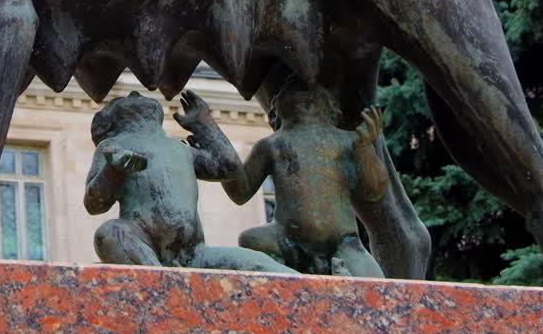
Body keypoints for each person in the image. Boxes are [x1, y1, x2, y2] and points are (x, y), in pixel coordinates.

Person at [85, 90, 294, 273]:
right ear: (110, 122)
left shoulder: (180, 147)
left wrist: (204, 125)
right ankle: (162, 284)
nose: (134, 94)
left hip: (194, 254)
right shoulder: (111, 146)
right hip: (142, 242)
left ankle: (320, 294)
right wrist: (113, 171)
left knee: (259, 264)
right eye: (120, 100)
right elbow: (94, 204)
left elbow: (228, 168)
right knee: (109, 233)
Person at [223, 83, 388, 277]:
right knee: (251, 239)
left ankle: (303, 276)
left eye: (311, 97)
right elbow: (240, 192)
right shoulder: (271, 145)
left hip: (343, 243)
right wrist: (222, 151)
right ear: (277, 109)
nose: (303, 95)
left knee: (374, 281)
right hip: (285, 239)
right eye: (293, 91)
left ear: (330, 107)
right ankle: (290, 278)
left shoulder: (349, 141)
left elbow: (374, 190)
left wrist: (365, 148)